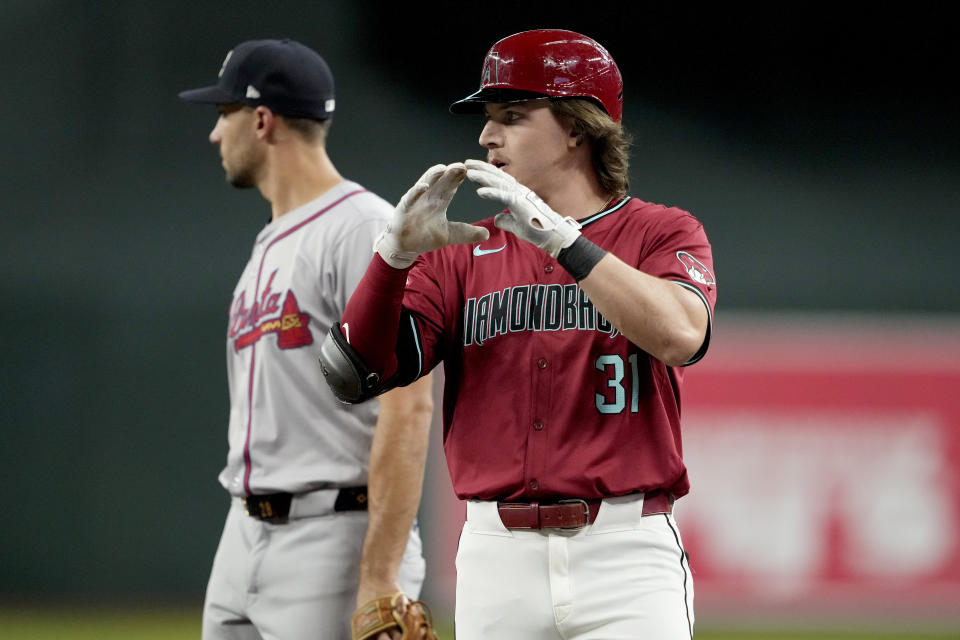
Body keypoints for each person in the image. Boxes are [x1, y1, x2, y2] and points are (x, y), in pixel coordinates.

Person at [320, 28, 716, 639]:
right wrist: (391, 260)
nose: (486, 136)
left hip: (627, 552)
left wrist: (565, 243)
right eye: (488, 117)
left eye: (512, 115)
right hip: (496, 556)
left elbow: (682, 335)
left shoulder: (661, 233)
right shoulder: (463, 250)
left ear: (578, 127)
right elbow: (353, 373)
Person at [178, 39, 434, 640]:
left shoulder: (363, 227)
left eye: (224, 115)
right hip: (243, 531)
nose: (217, 135)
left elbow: (410, 404)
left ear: (261, 120)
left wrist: (380, 576)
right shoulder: (269, 241)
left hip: (332, 538)